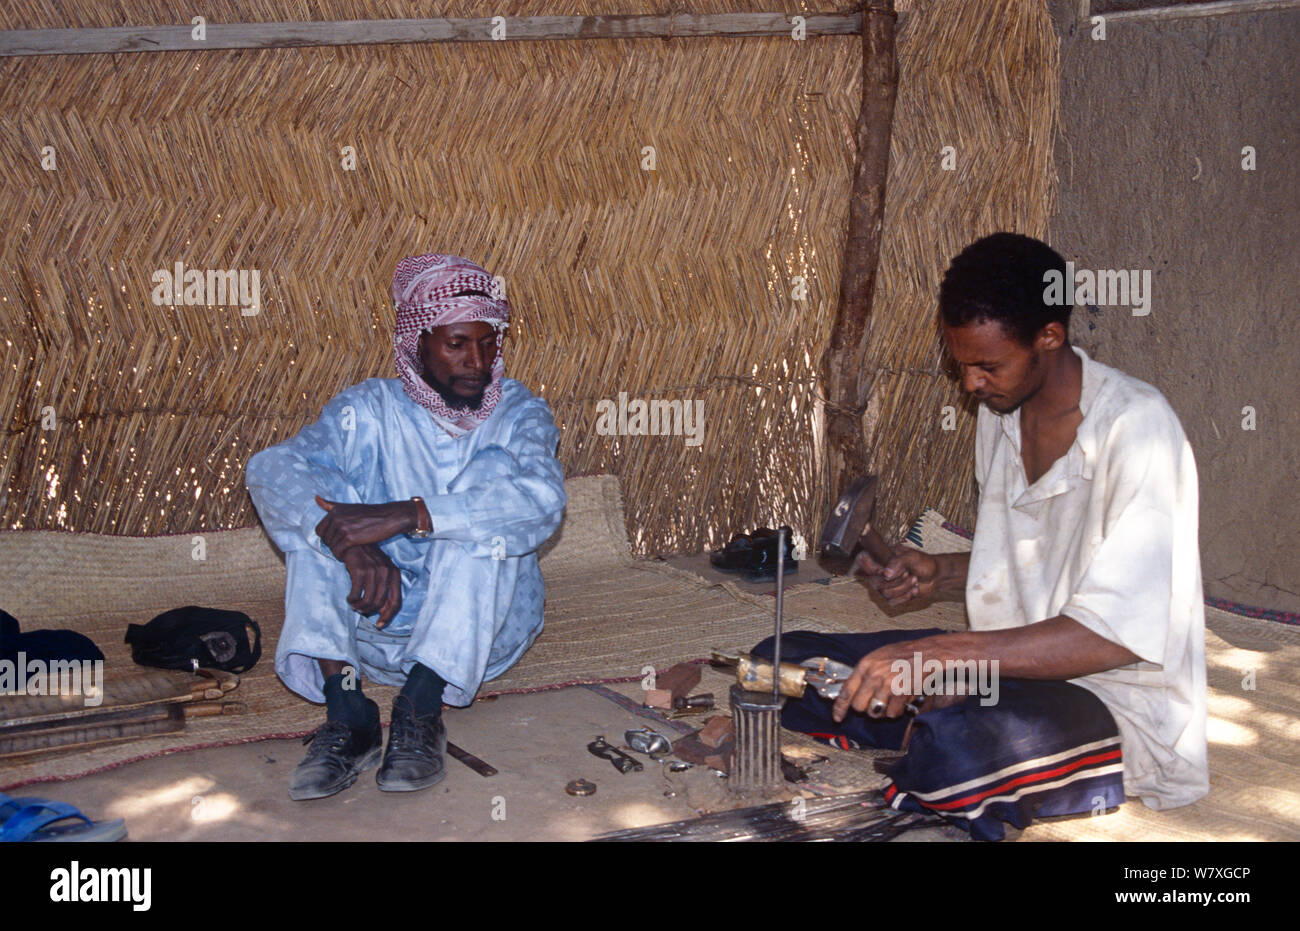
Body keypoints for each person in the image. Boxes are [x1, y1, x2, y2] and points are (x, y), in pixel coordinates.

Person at [754, 233, 1206, 839]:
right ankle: (930, 722)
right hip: (1000, 665)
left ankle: (936, 732)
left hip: (1112, 699)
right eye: (960, 363)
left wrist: (935, 656)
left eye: (987, 365)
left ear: (1050, 336)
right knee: (779, 661)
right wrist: (939, 572)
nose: (970, 383)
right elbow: (1040, 555)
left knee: (956, 754)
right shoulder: (1002, 411)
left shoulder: (1137, 429)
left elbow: (1115, 639)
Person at [246, 253, 566, 800]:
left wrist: (411, 514)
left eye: (488, 343)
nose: (478, 361)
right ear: (417, 343)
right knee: (320, 512)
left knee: (485, 503)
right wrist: (347, 543)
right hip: (375, 625)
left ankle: (422, 707)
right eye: (457, 343)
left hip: (480, 633)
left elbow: (541, 503)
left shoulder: (519, 413)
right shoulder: (367, 409)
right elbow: (270, 469)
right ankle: (348, 712)